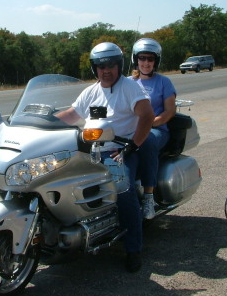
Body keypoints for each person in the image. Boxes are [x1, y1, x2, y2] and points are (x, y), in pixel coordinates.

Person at [56, 42, 154, 273]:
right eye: (100, 66)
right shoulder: (91, 91)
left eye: (110, 65)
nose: (105, 70)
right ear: (94, 68)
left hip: (119, 151)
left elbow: (147, 115)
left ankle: (133, 249)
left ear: (119, 65)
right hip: (90, 150)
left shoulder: (129, 87)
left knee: (123, 191)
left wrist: (133, 145)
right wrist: (44, 121)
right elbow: (72, 114)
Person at [129, 38, 177, 219]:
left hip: (156, 130)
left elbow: (170, 111)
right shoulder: (127, 82)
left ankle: (149, 197)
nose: (146, 62)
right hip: (131, 129)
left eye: (150, 59)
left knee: (146, 142)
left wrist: (150, 123)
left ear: (156, 61)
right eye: (142, 58)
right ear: (136, 59)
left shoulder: (163, 82)